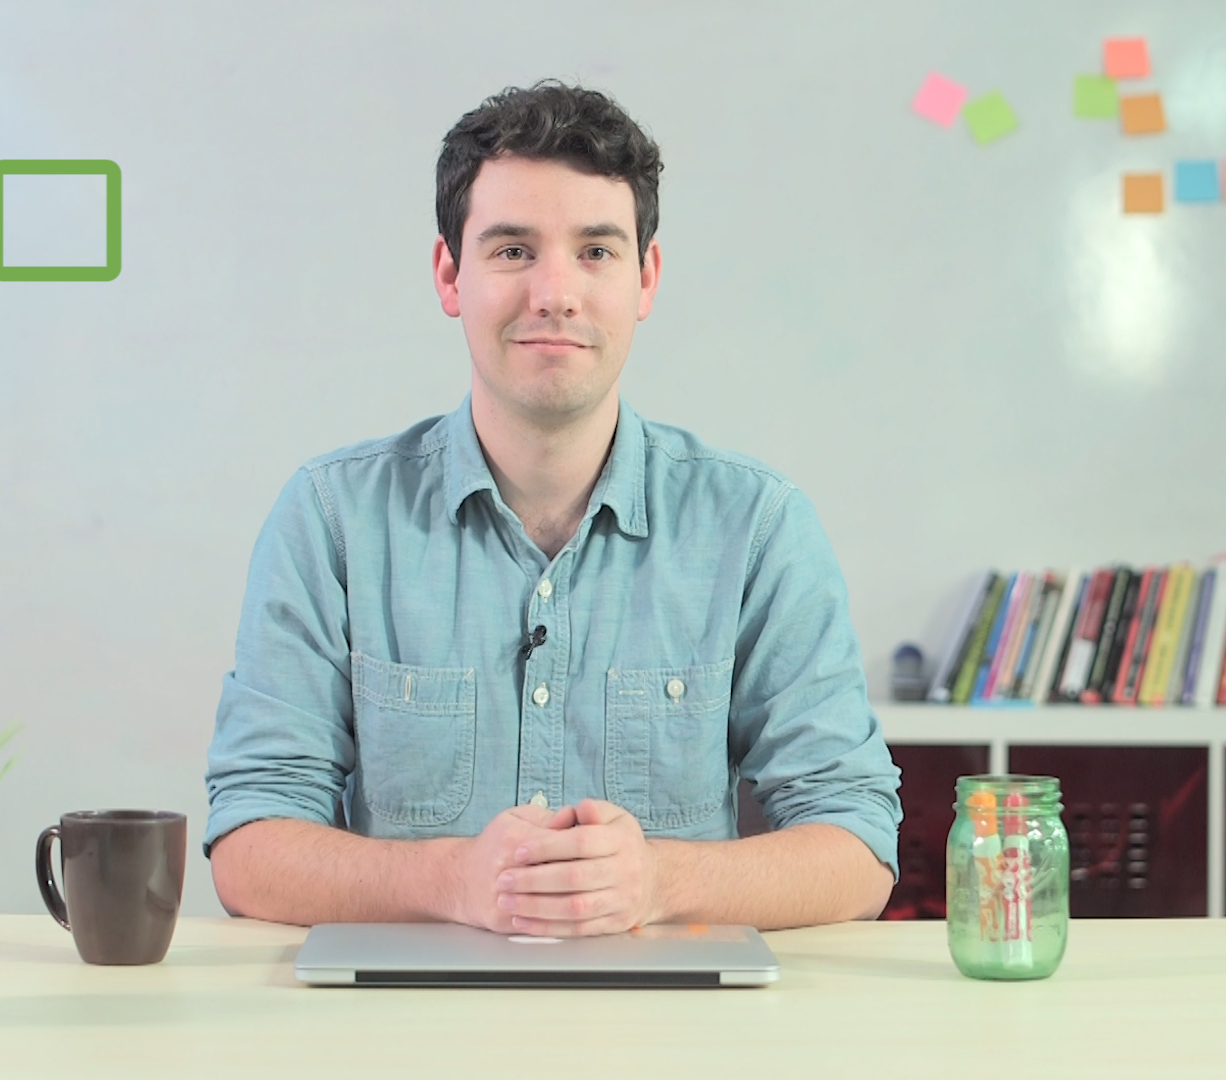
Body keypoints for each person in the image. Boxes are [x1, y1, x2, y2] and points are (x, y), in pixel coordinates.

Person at [204, 81, 901, 938]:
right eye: (512, 250)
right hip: (403, 1015)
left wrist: (658, 881)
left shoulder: (757, 527)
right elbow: (249, 842)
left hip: (669, 1014)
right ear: (449, 275)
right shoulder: (331, 519)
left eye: (596, 251)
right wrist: (453, 881)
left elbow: (858, 845)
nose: (555, 293)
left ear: (645, 278)